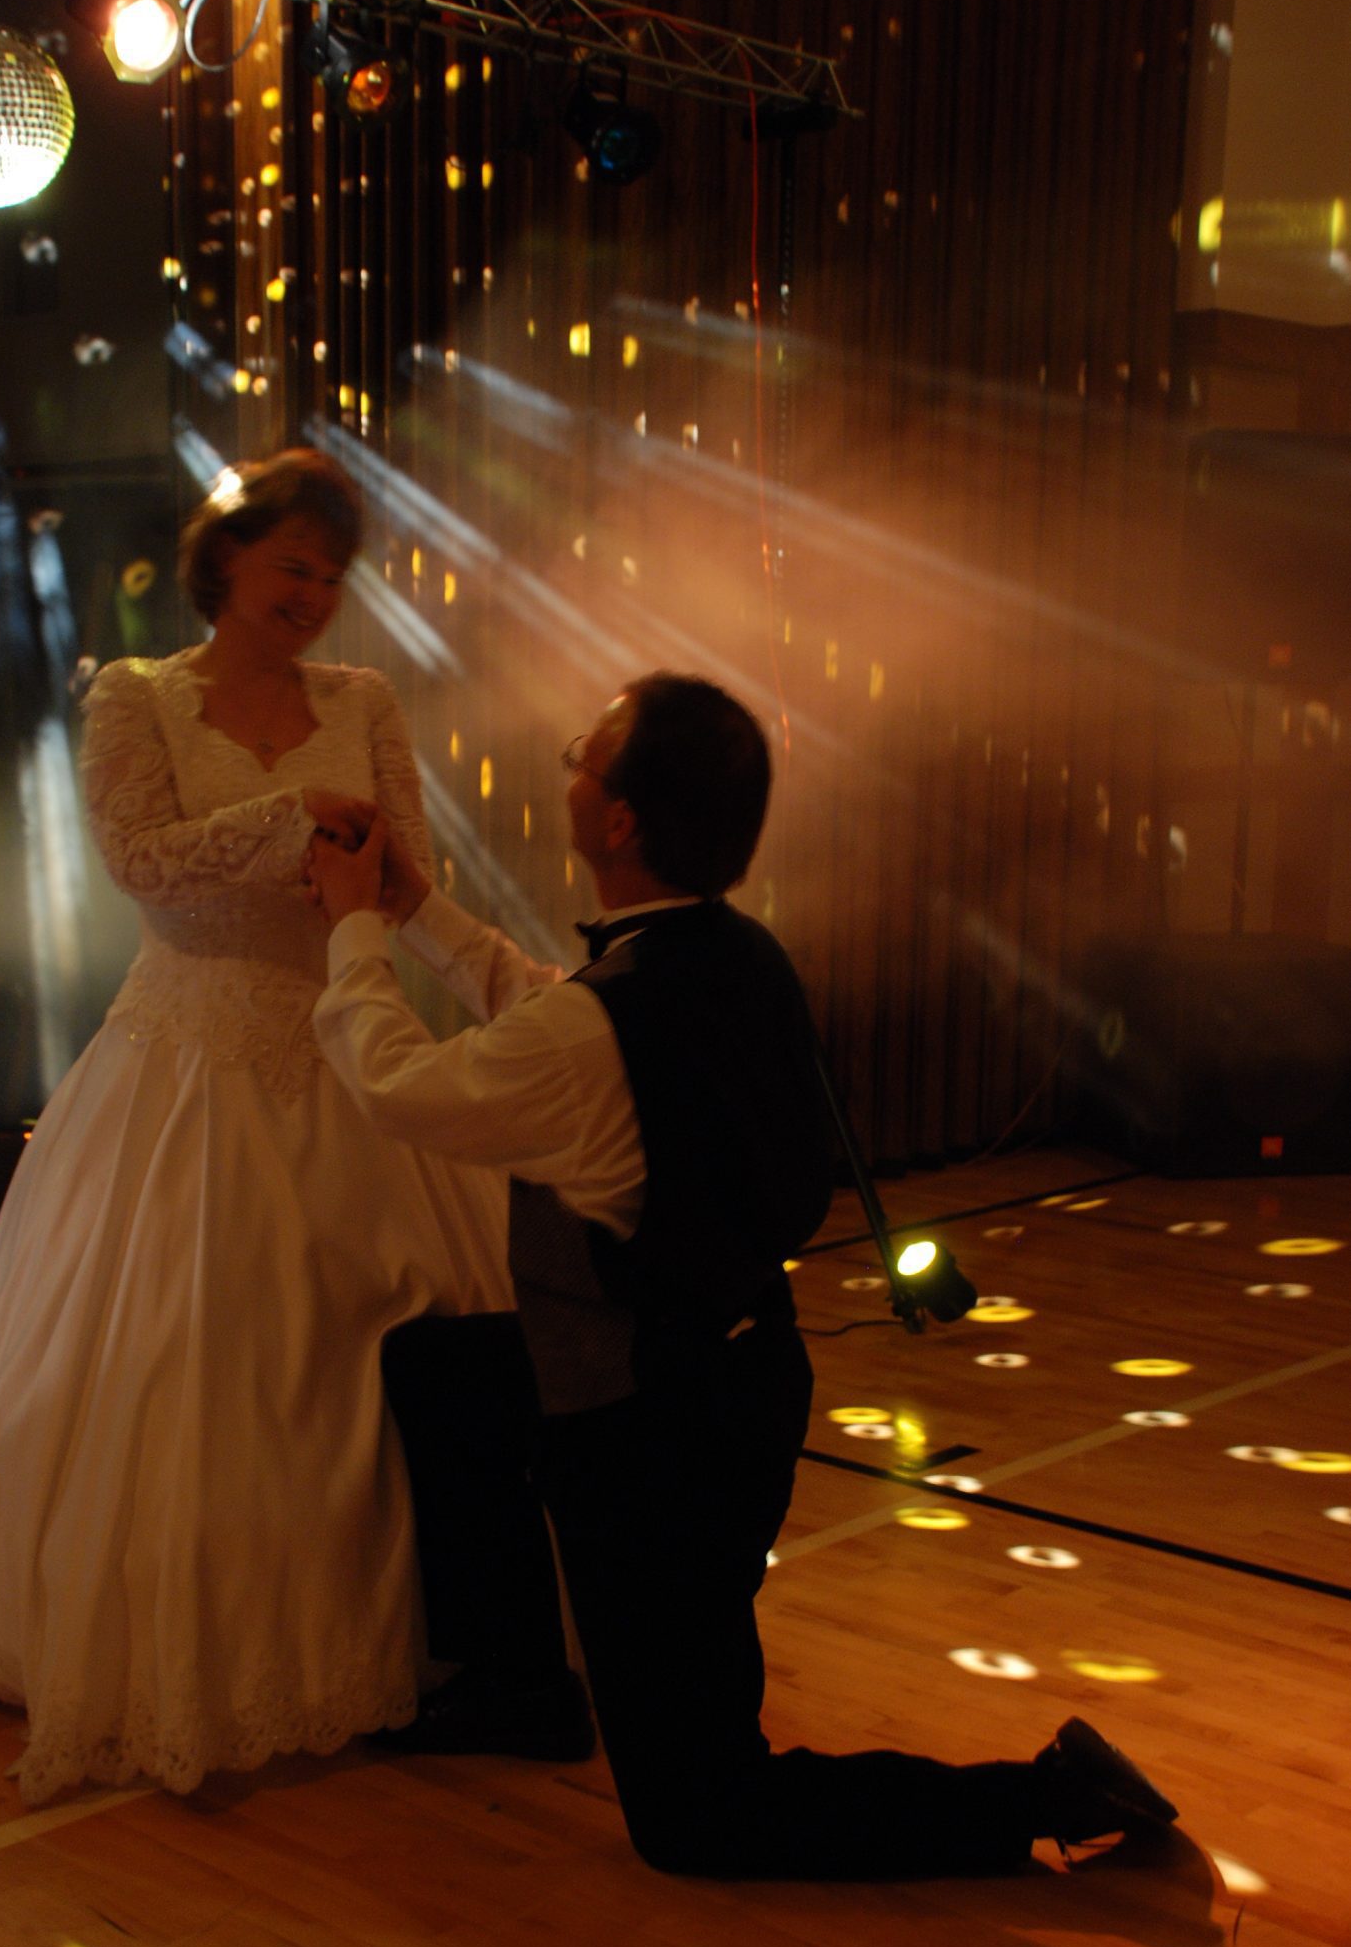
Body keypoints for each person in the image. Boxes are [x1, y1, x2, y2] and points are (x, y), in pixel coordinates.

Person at [307, 672, 1180, 1878]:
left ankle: (1047, 1794)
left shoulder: (601, 1023)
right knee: (443, 1367)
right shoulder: (731, 953)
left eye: (583, 755)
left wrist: (351, 926)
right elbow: (552, 1014)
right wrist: (412, 910)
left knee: (698, 1814)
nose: (569, 764)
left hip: (645, 1432)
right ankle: (517, 1676)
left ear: (619, 819)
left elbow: (399, 1084)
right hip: (742, 1375)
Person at [0, 451, 510, 1804]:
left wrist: (426, 934)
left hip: (348, 1047)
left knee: (385, 1349)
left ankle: (442, 1637)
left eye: (331, 576)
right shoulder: (136, 694)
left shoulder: (364, 699)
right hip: (184, 1060)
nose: (313, 597)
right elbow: (136, 859)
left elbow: (410, 874)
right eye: (292, 568)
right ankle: (171, 1648)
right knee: (178, 1359)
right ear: (226, 559)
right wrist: (287, 820)